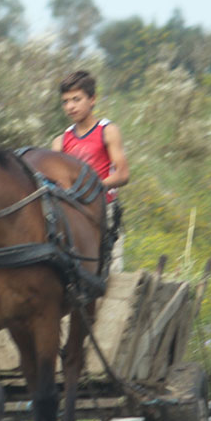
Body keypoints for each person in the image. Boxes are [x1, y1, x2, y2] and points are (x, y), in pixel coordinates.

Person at [51, 70, 129, 272]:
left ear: (92, 99)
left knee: (110, 276)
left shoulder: (107, 131)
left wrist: (93, 186)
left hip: (104, 211)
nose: (70, 106)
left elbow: (123, 174)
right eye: (65, 101)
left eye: (76, 99)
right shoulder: (61, 141)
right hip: (73, 214)